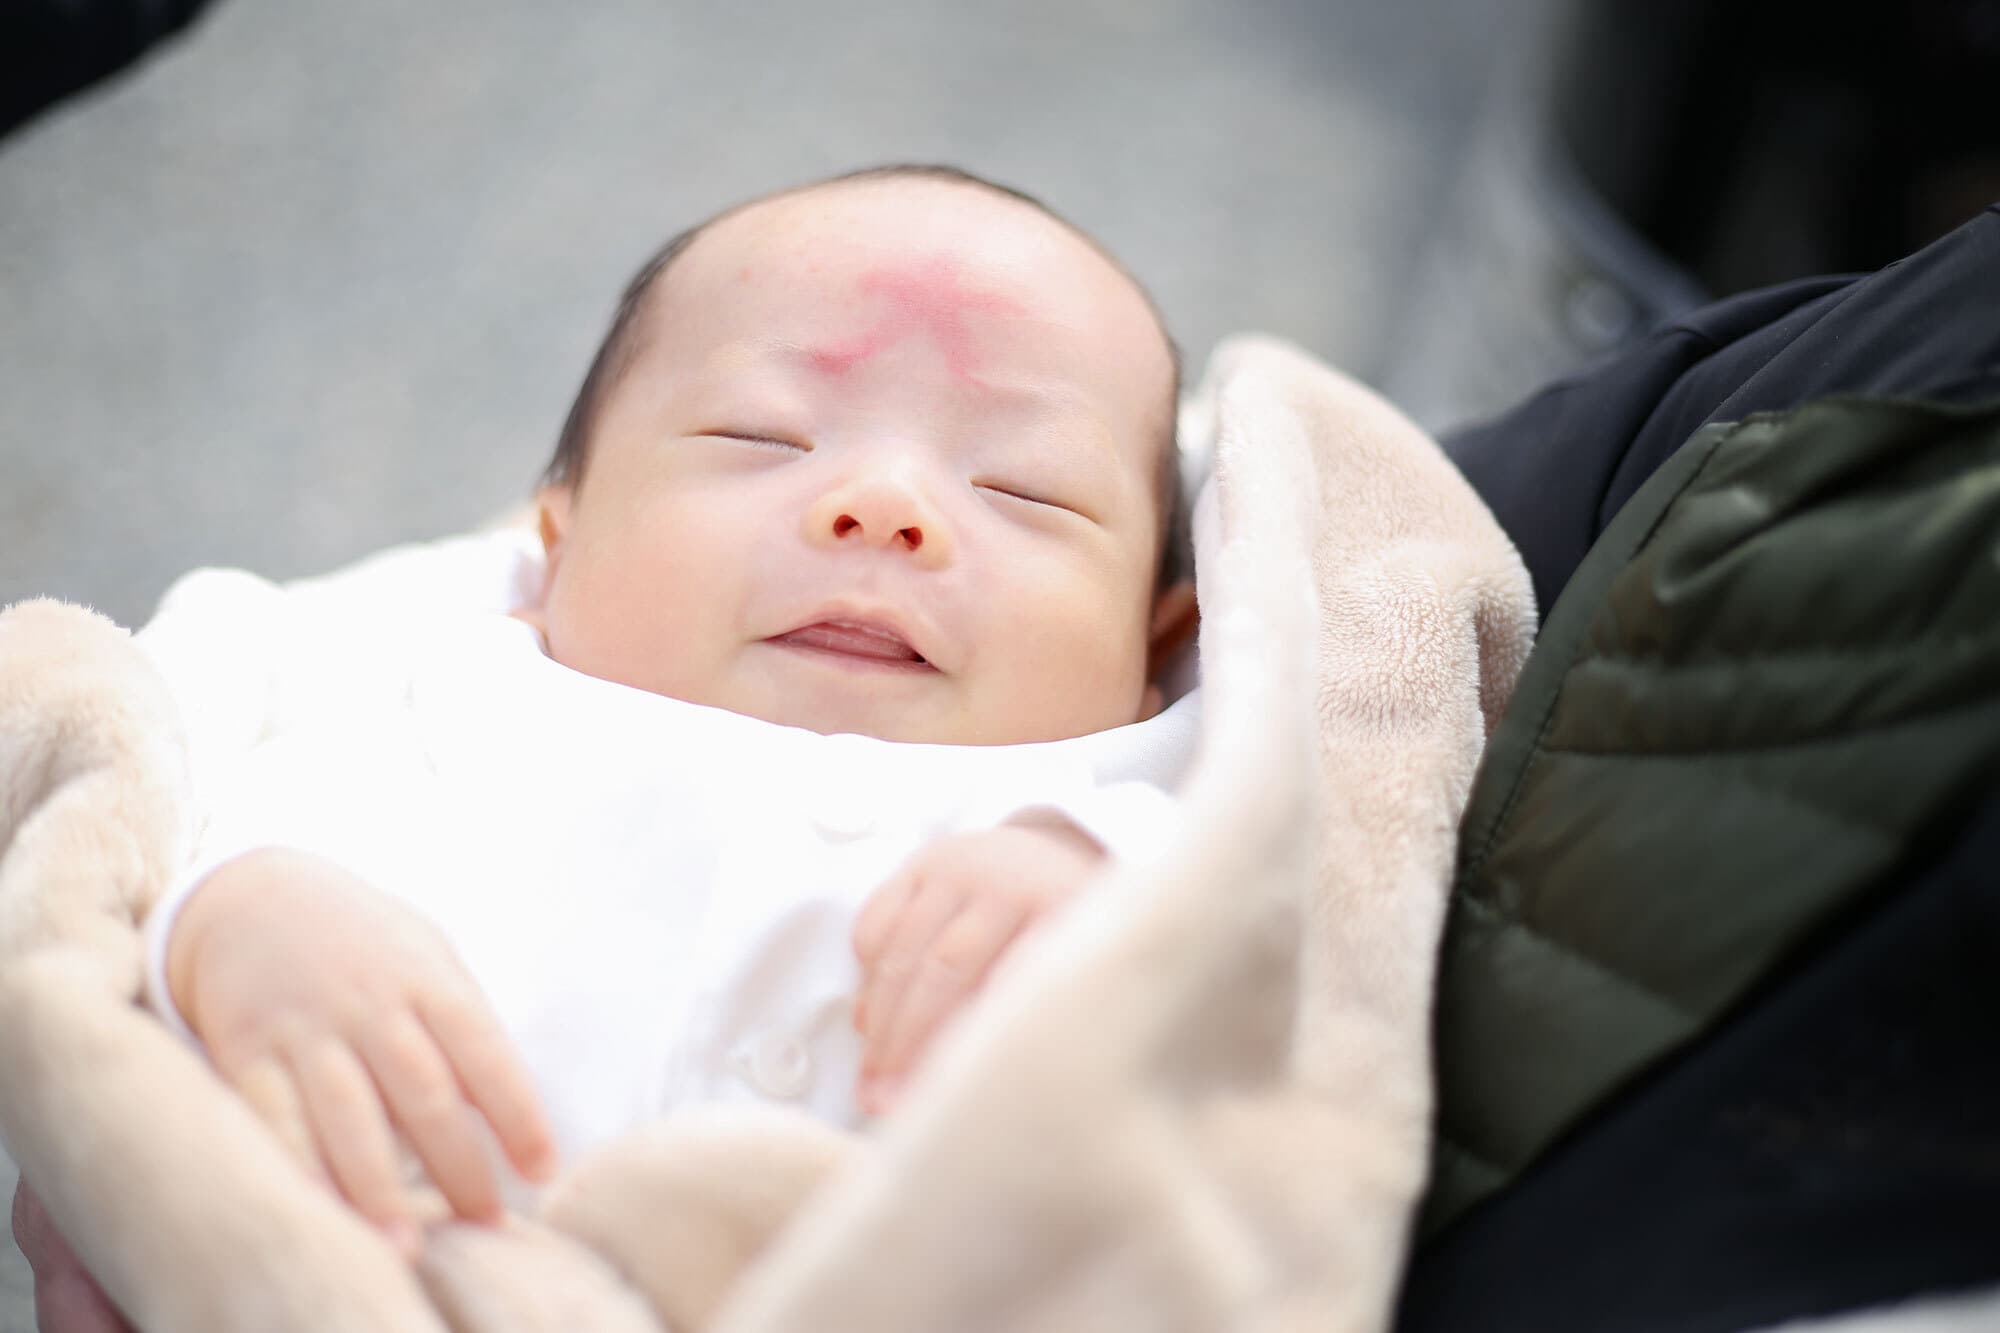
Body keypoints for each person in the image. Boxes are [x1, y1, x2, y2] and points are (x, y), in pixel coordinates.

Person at [16, 162, 1202, 1331]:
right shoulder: (463, 695)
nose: (888, 504)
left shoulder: (1135, 804)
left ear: (1156, 641)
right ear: (556, 537)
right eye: (764, 434)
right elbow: (216, 806)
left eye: (1025, 488)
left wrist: (1095, 878)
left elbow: (1273, 974)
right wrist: (236, 912)